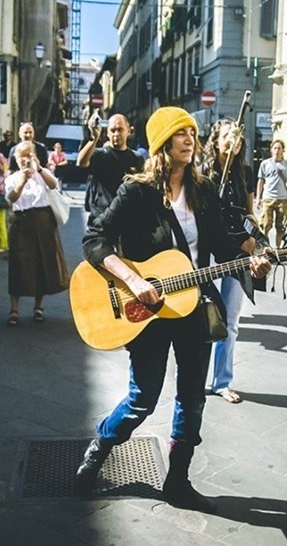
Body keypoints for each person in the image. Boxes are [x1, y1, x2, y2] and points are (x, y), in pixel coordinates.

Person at [74, 107, 271, 511]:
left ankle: (177, 479)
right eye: (180, 133)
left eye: (192, 134)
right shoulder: (137, 191)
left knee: (192, 397)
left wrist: (251, 258)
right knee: (141, 399)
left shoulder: (204, 190)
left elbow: (221, 245)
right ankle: (101, 445)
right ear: (163, 142)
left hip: (194, 306)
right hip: (147, 313)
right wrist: (133, 281)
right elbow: (96, 240)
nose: (189, 140)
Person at [200, 118, 262, 405]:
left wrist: (253, 235)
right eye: (227, 136)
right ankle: (196, 377)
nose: (233, 141)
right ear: (216, 140)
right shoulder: (204, 173)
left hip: (237, 249)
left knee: (231, 319)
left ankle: (222, 381)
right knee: (203, 315)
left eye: (237, 136)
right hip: (209, 249)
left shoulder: (245, 172)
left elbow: (249, 213)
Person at [4, 141, 69, 326]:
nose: (24, 159)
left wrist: (39, 168)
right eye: (20, 156)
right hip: (22, 221)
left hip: (43, 221)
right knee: (18, 265)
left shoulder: (42, 174)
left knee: (43, 263)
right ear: (15, 159)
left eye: (28, 155)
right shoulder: (13, 177)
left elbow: (53, 184)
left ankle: (38, 306)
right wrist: (22, 181)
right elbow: (11, 198)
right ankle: (14, 309)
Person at [76, 113, 144, 222]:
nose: (116, 134)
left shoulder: (137, 158)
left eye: (120, 130)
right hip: (102, 219)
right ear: (107, 133)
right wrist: (94, 138)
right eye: (112, 130)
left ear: (129, 131)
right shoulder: (99, 154)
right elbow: (81, 162)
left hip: (127, 218)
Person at [256, 139, 287, 246]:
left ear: (283, 150)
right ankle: (265, 248)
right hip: (268, 198)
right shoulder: (265, 164)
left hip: (282, 198)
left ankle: (277, 249)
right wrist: (258, 198)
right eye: (275, 148)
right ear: (271, 150)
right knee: (265, 225)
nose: (277, 150)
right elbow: (260, 181)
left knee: (281, 227)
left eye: (279, 148)